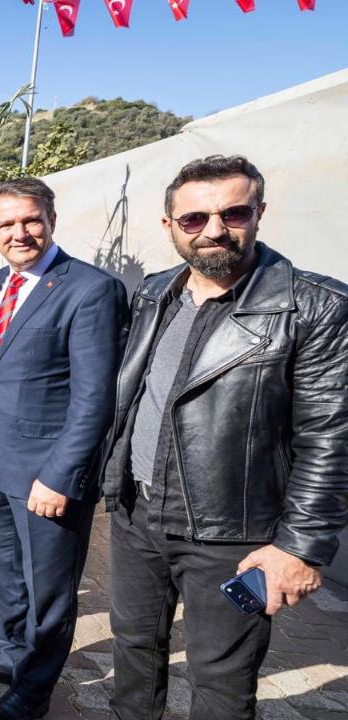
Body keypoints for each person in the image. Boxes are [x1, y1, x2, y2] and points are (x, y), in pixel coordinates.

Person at [101, 156, 348, 720]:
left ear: (259, 213)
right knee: (134, 652)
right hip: (138, 514)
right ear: (170, 227)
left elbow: (330, 438)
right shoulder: (155, 294)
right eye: (194, 219)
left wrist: (300, 547)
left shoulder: (314, 306)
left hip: (231, 533)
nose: (214, 229)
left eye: (233, 212)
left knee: (220, 681)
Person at [0, 178, 128, 720]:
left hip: (49, 475)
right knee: (4, 570)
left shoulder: (90, 289)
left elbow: (96, 397)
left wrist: (61, 475)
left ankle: (34, 690)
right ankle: (7, 655)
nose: (19, 233)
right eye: (6, 224)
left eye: (30, 220)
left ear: (51, 219)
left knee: (49, 590)